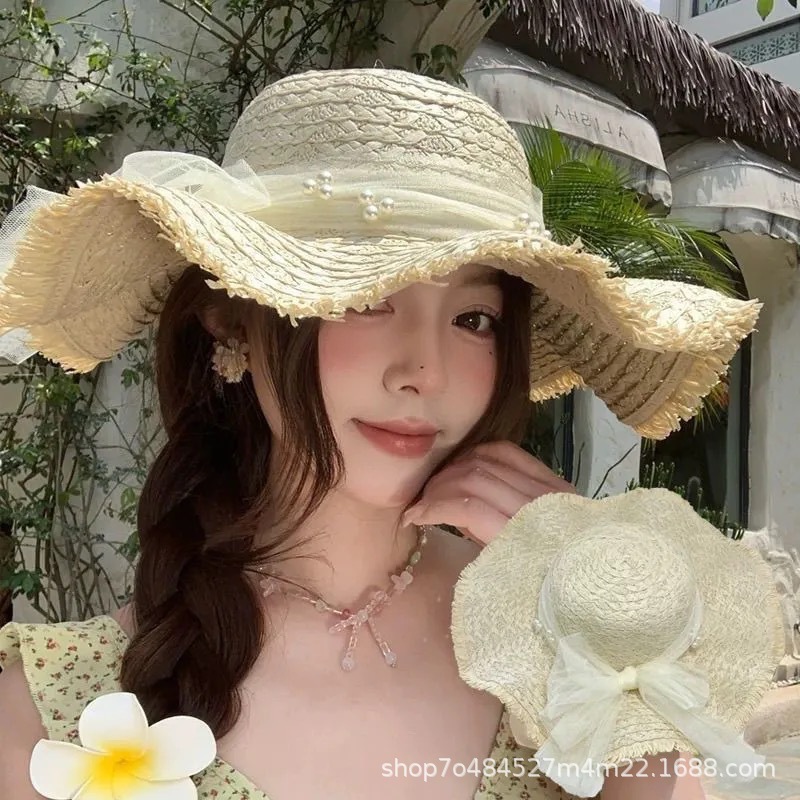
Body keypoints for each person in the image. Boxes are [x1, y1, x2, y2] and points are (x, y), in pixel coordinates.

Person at [0, 67, 761, 800]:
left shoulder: (565, 650)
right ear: (233, 321)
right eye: (366, 298)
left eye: (474, 318)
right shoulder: (50, 716)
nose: (425, 371)